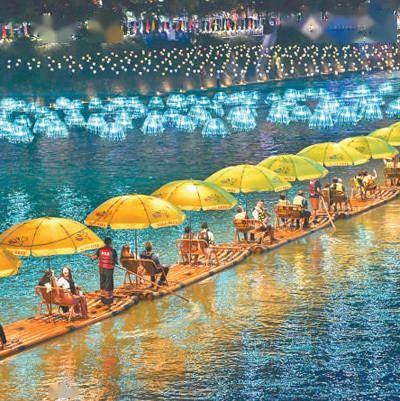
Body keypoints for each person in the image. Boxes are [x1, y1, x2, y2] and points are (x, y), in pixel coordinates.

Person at [89, 237, 118, 305]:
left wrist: (91, 257)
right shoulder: (113, 250)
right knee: (109, 283)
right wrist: (114, 262)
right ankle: (109, 300)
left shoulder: (100, 249)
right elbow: (116, 261)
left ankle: (103, 299)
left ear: (104, 242)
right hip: (109, 269)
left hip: (101, 268)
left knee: (102, 282)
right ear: (110, 243)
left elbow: (94, 257)